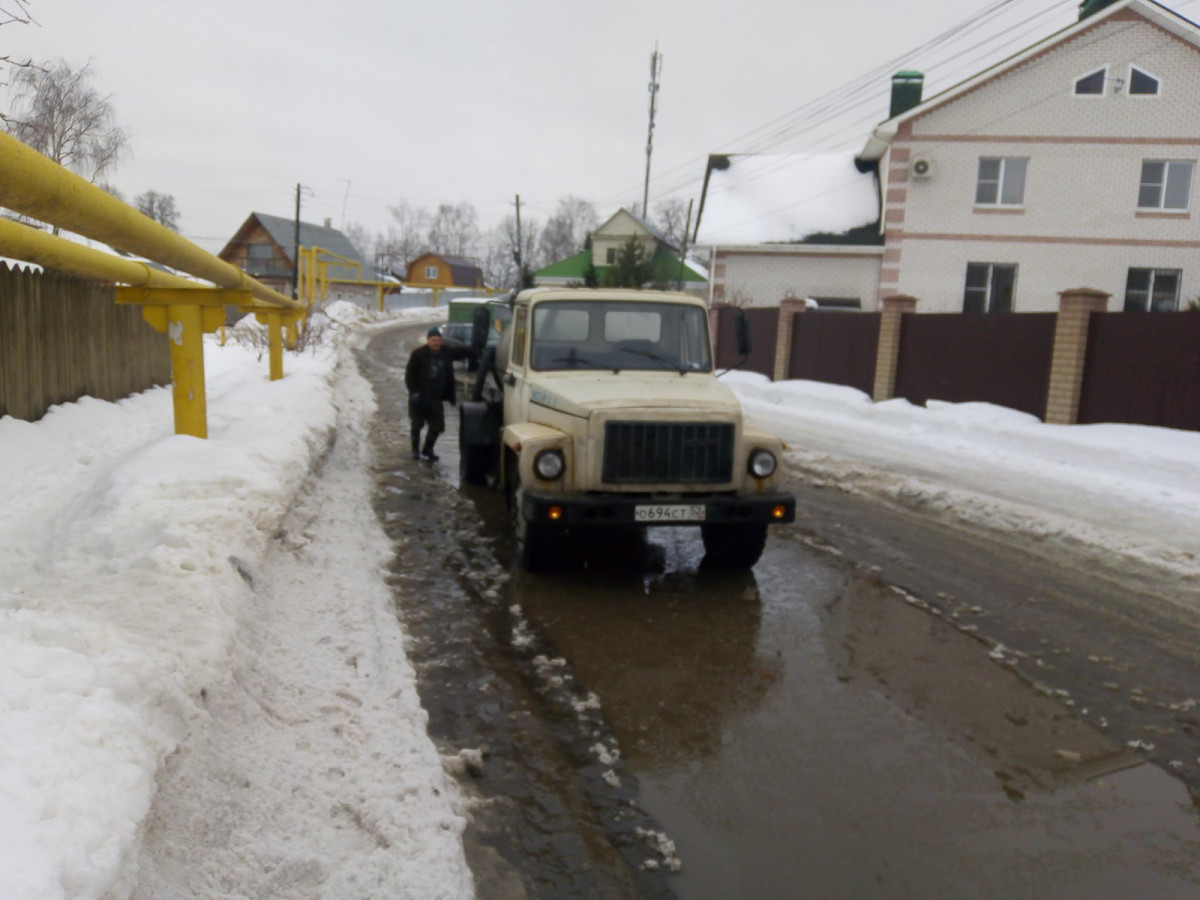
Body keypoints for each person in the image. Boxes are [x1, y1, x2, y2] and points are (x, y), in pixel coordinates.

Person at [404, 326, 474, 461]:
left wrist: (474, 351)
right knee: (417, 424)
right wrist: (414, 393)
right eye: (433, 340)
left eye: (438, 340)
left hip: (436, 398)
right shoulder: (418, 354)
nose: (436, 343)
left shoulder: (446, 352)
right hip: (419, 397)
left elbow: (461, 352)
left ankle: (428, 449)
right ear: (428, 341)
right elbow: (409, 375)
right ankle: (415, 450)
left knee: (437, 425)